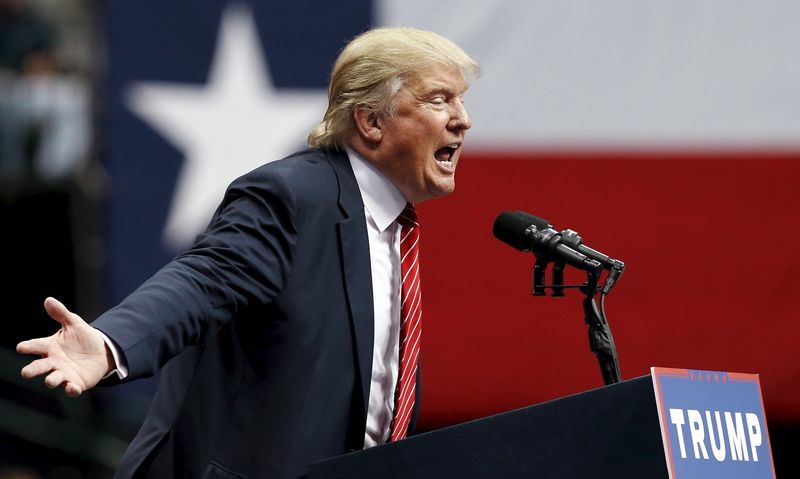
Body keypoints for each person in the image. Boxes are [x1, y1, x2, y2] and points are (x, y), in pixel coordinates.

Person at [16, 27, 479, 478]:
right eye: (438, 100)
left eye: (460, 99)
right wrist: (110, 342)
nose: (462, 119)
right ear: (371, 121)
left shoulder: (393, 227)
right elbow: (204, 279)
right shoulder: (295, 196)